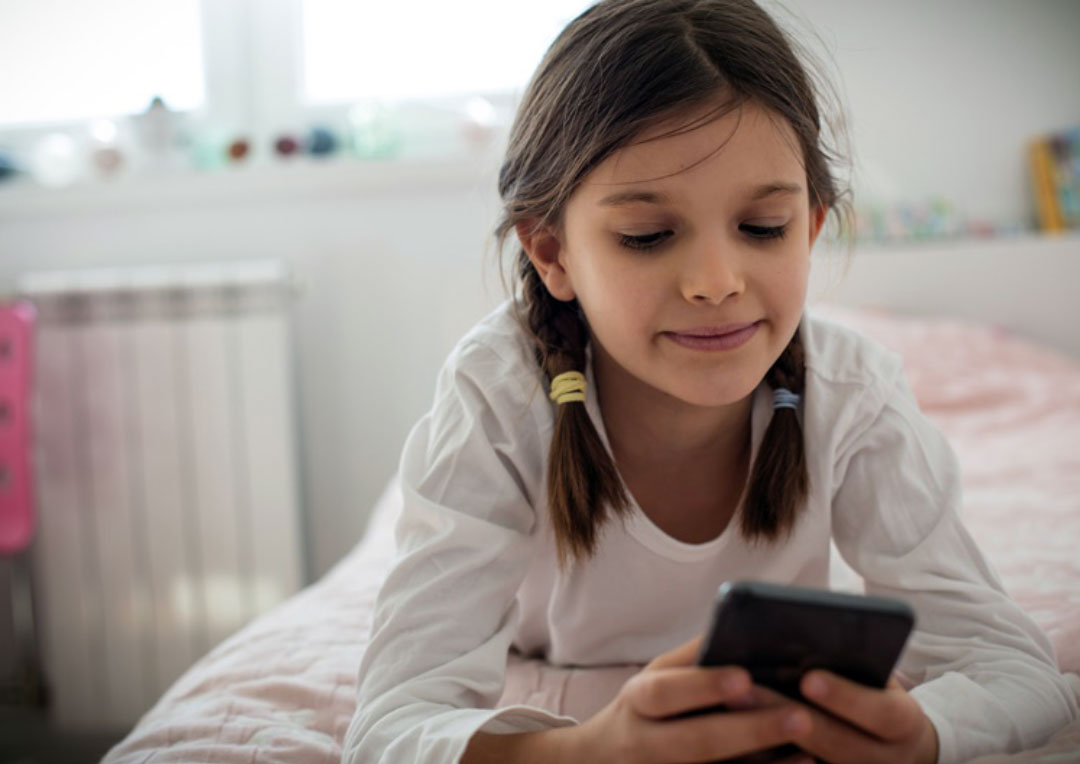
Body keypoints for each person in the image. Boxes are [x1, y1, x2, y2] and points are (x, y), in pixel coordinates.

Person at [341, 1, 1079, 762]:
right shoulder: (497, 398)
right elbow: (390, 728)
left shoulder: (852, 393)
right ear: (553, 252)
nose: (716, 283)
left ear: (814, 227)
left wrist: (925, 734)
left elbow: (1013, 670)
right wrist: (591, 753)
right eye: (647, 237)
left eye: (764, 227)